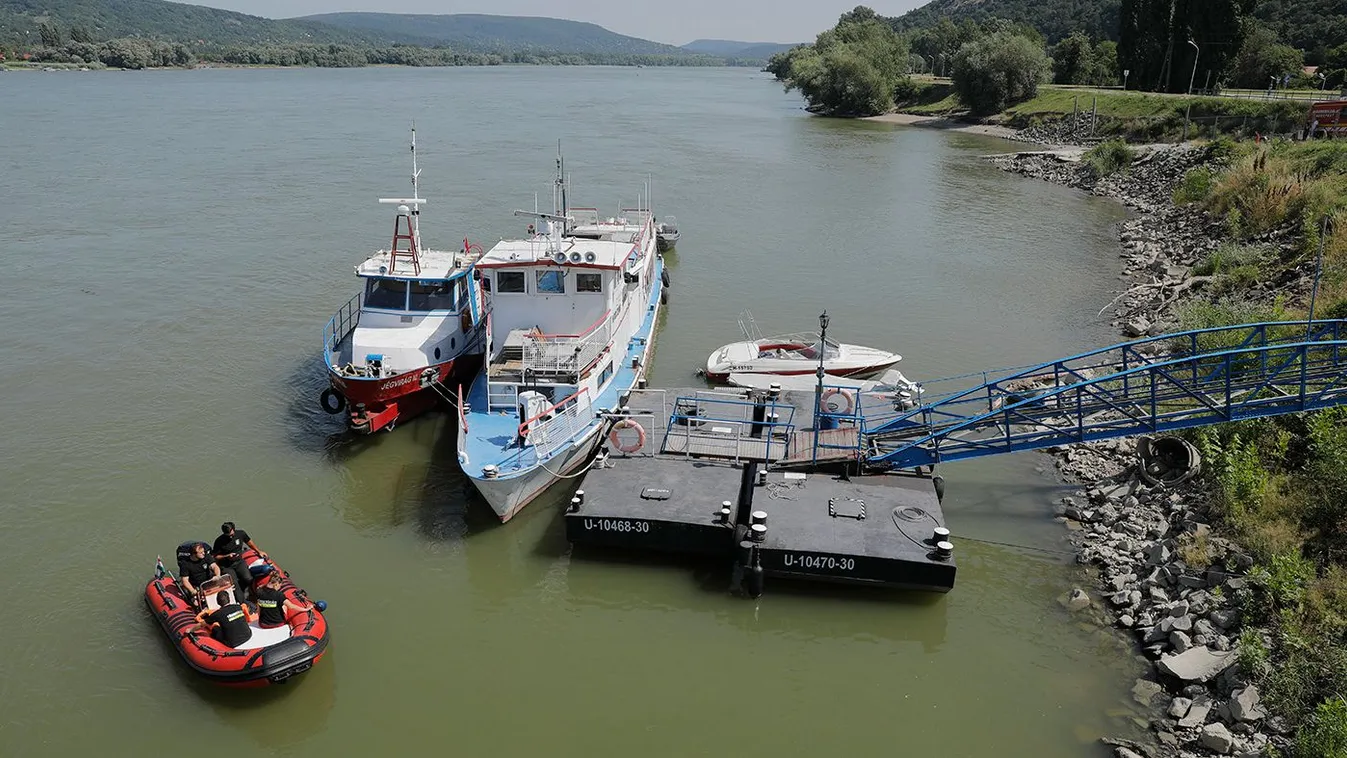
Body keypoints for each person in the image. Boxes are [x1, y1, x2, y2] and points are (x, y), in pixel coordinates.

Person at [213, 522, 264, 599]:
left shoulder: (241, 534)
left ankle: (252, 593)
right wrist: (227, 556)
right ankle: (242, 601)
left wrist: (259, 551)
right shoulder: (219, 541)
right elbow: (216, 556)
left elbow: (250, 543)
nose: (230, 536)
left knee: (248, 578)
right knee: (234, 583)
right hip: (227, 566)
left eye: (231, 534)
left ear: (233, 529)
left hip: (239, 562)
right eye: (228, 535)